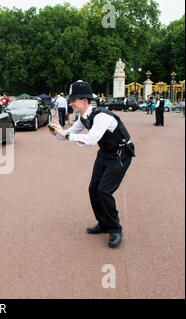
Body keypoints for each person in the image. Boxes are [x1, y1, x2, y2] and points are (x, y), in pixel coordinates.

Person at [48, 80, 135, 248]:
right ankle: (103, 223)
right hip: (105, 153)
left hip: (120, 155)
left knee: (104, 190)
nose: (70, 103)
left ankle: (115, 228)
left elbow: (91, 139)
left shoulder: (102, 116)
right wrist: (56, 131)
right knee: (93, 189)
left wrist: (65, 135)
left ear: (84, 101)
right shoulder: (83, 117)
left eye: (73, 100)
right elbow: (66, 135)